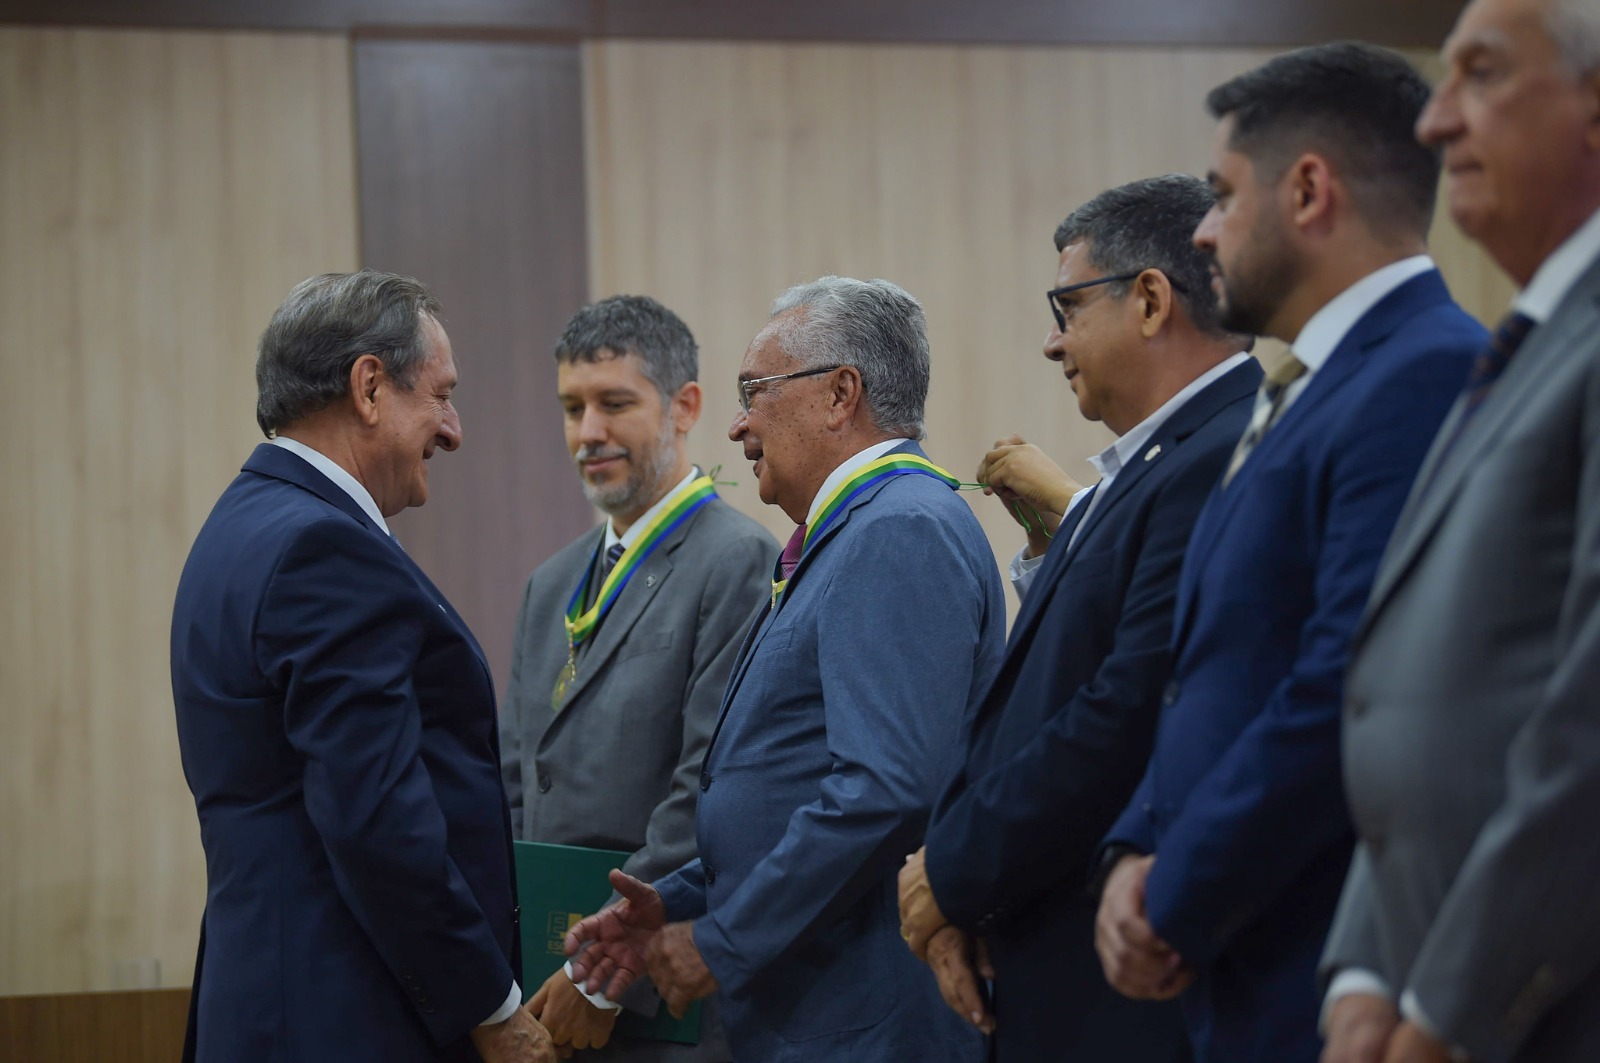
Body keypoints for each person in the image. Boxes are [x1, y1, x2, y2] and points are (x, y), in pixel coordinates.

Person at [1091, 44, 1486, 1062]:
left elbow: (1345, 680)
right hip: (1234, 950)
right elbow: (1212, 666)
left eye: (1221, 196)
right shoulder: (1310, 378)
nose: (1204, 231)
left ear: (1309, 189)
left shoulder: (1425, 370)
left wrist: (1171, 888)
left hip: (1321, 962)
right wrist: (1135, 846)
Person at [563, 276, 1006, 1062]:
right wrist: (674, 903)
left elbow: (883, 790)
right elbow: (789, 787)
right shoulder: (858, 529)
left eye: (754, 392)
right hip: (818, 1009)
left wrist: (724, 938)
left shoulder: (898, 529)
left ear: (841, 394)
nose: (737, 425)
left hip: (866, 1020)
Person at [898, 174, 1261, 1062]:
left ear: (1149, 299)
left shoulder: (1224, 454)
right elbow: (1036, 696)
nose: (1052, 342)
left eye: (1067, 306)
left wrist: (953, 870)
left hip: (1125, 975)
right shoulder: (1153, 463)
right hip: (1048, 952)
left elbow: (1126, 710)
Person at [170, 270, 554, 1062]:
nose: (453, 430)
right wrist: (490, 1004)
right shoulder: (323, 547)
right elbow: (377, 816)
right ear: (370, 386)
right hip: (345, 1013)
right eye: (440, 395)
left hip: (275, 998)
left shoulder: (240, 524)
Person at [1320, 2, 1600, 1060]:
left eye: (1479, 74)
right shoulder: (1520, 346)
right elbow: (1404, 696)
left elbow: (1585, 718)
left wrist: (1444, 1004)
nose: (1435, 123)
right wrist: (1362, 970)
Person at [500, 295, 774, 1061]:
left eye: (615, 403)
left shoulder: (738, 563)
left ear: (685, 405)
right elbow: (517, 781)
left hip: (655, 995)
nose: (588, 433)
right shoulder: (548, 584)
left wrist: (599, 977)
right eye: (572, 407)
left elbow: (706, 793)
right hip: (546, 988)